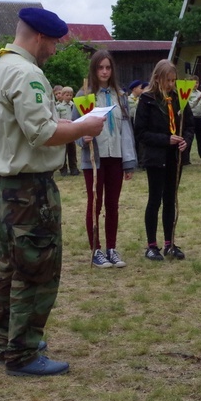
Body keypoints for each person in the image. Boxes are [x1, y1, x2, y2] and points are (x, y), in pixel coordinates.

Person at [0, 7, 105, 377]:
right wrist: (85, 128)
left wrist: (66, 123)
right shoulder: (26, 73)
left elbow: (23, 126)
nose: (53, 50)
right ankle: (23, 353)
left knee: (11, 266)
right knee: (37, 269)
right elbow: (42, 134)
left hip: (2, 184)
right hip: (28, 189)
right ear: (39, 38)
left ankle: (8, 342)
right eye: (52, 43)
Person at [73, 50, 137, 269]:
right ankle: (96, 250)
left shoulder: (121, 96)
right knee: (95, 204)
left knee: (112, 204)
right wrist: (83, 137)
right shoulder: (85, 95)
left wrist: (128, 161)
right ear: (94, 69)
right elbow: (73, 128)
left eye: (108, 67)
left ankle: (111, 248)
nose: (104, 71)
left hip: (115, 158)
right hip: (94, 160)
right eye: (100, 67)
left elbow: (126, 130)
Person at [134, 60, 194, 261]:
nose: (171, 84)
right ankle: (152, 245)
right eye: (168, 80)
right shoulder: (147, 100)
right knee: (155, 199)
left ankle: (170, 242)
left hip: (175, 157)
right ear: (157, 78)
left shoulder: (179, 98)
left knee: (170, 199)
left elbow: (189, 125)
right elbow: (141, 133)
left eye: (173, 80)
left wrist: (185, 141)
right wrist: (165, 139)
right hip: (156, 157)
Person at [54, 85, 79, 176]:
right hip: (63, 131)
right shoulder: (59, 107)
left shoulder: (74, 105)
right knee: (63, 152)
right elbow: (57, 119)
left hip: (72, 132)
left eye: (70, 95)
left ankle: (74, 168)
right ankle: (63, 169)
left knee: (72, 151)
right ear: (63, 95)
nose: (68, 97)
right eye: (67, 95)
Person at [188, 75, 201, 164]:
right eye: (193, 82)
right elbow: (190, 106)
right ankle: (186, 159)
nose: (195, 84)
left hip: (200, 119)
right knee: (189, 139)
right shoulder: (187, 93)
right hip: (191, 118)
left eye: (197, 82)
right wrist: (198, 99)